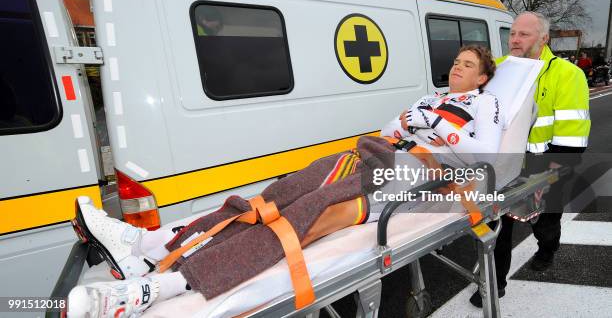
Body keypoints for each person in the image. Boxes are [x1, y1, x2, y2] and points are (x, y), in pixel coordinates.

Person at [68, 46, 502, 318]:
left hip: (414, 171)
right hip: (372, 153)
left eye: (466, 65)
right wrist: (414, 117)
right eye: (455, 63)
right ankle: (152, 248)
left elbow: (483, 152)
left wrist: (433, 125)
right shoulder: (431, 98)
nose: (456, 69)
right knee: (270, 199)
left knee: (311, 215)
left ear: (482, 77)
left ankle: (165, 285)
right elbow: (391, 127)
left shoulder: (484, 104)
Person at [469, 12, 590, 308]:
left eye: (523, 34)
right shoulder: (499, 68)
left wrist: (552, 175)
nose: (514, 39)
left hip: (545, 166)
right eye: (512, 33)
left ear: (543, 38)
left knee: (545, 223)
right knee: (498, 224)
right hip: (505, 167)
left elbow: (572, 135)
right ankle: (495, 285)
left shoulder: (567, 74)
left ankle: (547, 249)